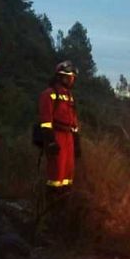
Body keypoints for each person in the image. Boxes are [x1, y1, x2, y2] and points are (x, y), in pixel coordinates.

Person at [37, 60, 81, 200]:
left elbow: (73, 121)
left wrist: (77, 142)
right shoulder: (49, 94)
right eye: (69, 77)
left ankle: (64, 203)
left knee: (68, 173)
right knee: (56, 173)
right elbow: (45, 121)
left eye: (73, 78)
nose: (71, 80)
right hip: (56, 136)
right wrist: (50, 141)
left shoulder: (69, 96)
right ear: (60, 77)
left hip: (68, 137)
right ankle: (51, 205)